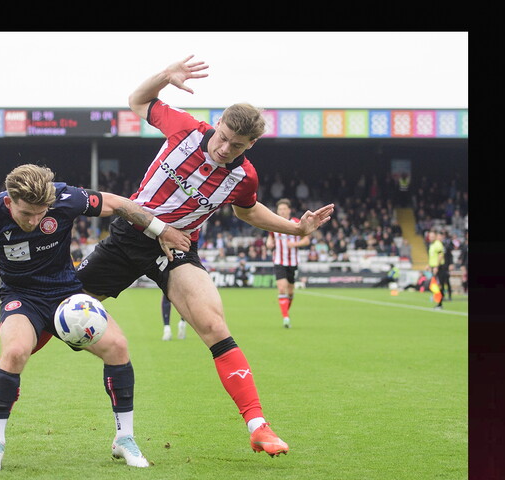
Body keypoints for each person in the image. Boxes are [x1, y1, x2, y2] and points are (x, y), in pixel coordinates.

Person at [75, 55, 334, 457]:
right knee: (65, 304)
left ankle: (258, 425)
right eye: (224, 136)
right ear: (218, 124)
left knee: (213, 323)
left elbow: (248, 210)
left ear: (251, 145)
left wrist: (298, 227)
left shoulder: (244, 176)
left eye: (237, 145)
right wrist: (164, 76)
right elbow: (136, 100)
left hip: (177, 248)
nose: (225, 148)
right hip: (131, 234)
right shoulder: (184, 128)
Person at [0, 164, 191, 471]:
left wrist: (160, 230)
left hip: (67, 295)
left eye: (40, 213)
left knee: (118, 347)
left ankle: (124, 439)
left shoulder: (66, 198)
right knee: (15, 352)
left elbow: (118, 204)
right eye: (25, 214)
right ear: (10, 203)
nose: (33, 221)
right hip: (21, 297)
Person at [264, 198, 311, 328]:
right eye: (280, 209)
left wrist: (295, 244)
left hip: (293, 261)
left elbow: (306, 240)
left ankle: (286, 311)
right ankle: (285, 318)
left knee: (290, 292)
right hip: (279, 260)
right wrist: (268, 243)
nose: (282, 211)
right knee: (281, 288)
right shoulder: (273, 223)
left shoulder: (296, 222)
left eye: (284, 209)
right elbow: (270, 238)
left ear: (289, 210)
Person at [426, 230, 445, 310]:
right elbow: (432, 257)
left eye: (432, 236)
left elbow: (440, 255)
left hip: (438, 268)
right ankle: (438, 301)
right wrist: (429, 265)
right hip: (433, 267)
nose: (431, 238)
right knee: (435, 285)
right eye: (430, 237)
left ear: (436, 236)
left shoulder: (438, 244)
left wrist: (436, 266)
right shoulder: (432, 245)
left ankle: (440, 303)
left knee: (438, 285)